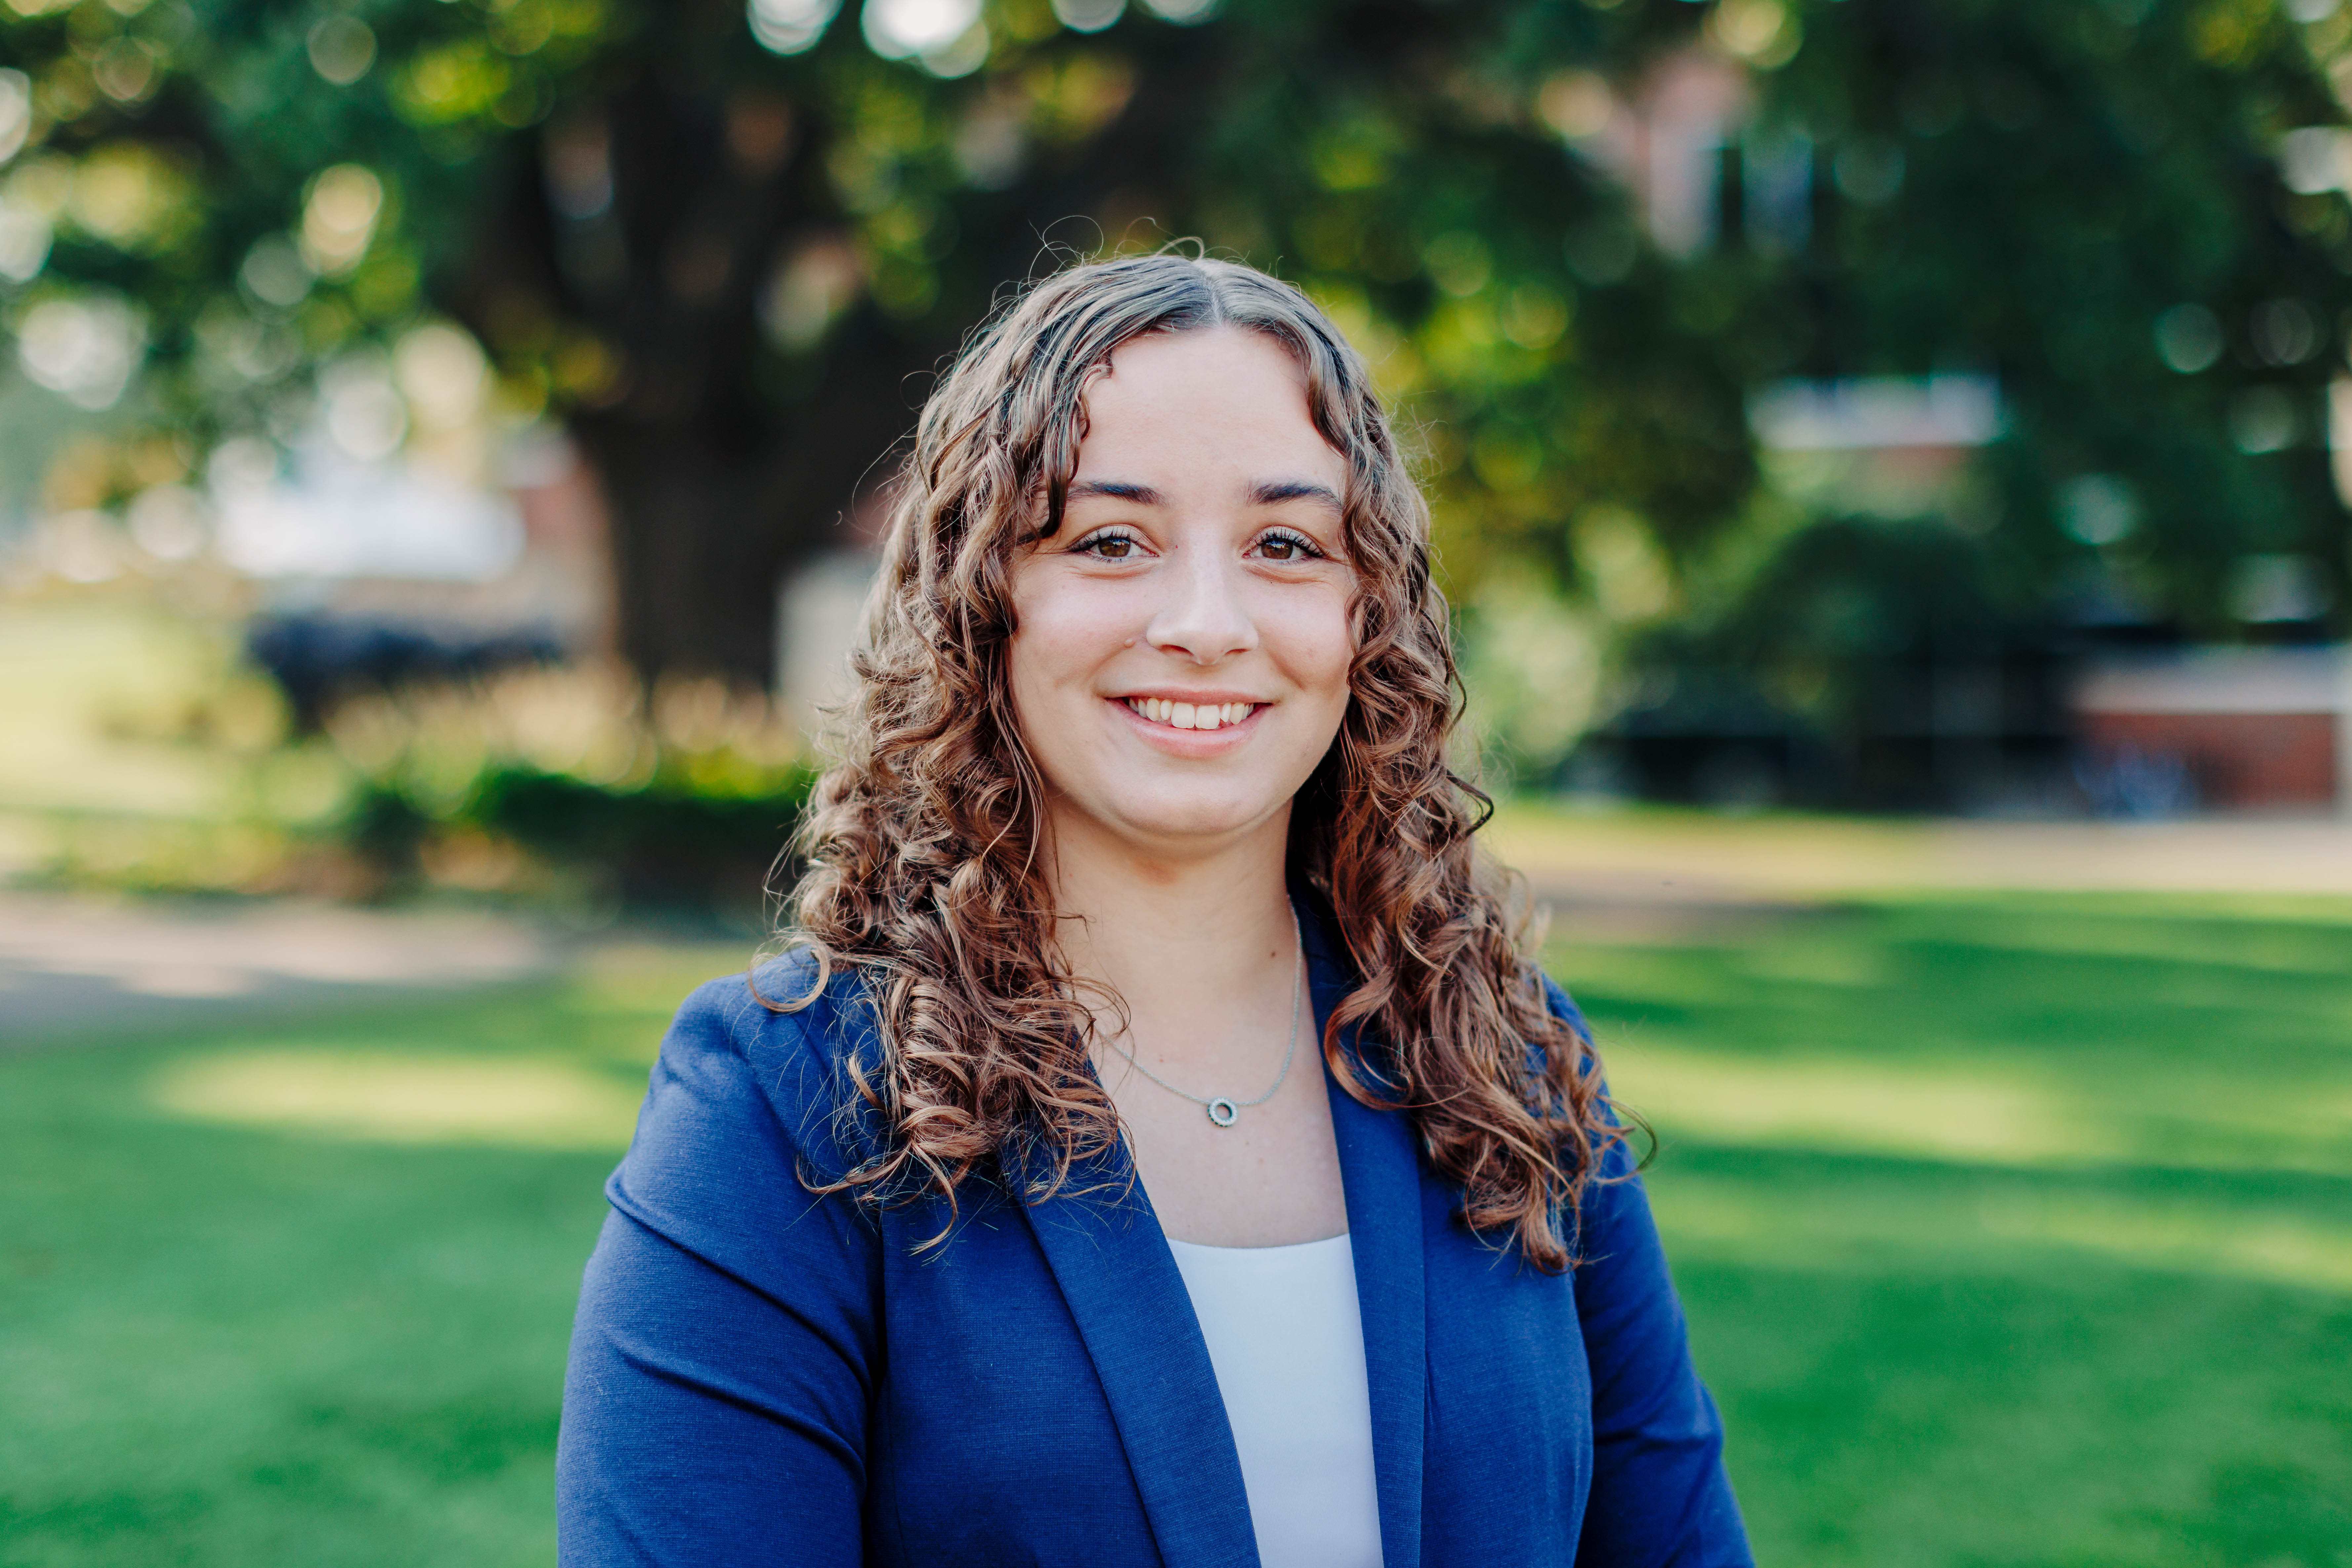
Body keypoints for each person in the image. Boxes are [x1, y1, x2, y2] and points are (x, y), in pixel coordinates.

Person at [556, 253, 1750, 1568]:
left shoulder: (1507, 1068)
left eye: (1285, 545)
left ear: (1367, 618)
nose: (1205, 620)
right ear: (982, 601)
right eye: (1109, 540)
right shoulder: (787, 1105)